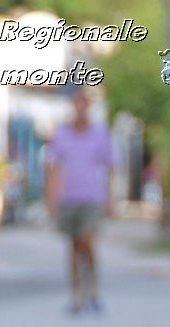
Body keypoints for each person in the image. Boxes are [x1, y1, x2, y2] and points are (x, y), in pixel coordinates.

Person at [44, 89, 113, 314]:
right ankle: (75, 295)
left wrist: (109, 198)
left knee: (87, 241)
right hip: (68, 197)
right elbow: (54, 168)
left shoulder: (99, 134)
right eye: (76, 103)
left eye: (84, 103)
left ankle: (93, 290)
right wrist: (51, 198)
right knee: (73, 247)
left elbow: (109, 167)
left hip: (91, 196)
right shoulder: (62, 134)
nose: (80, 108)